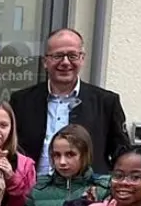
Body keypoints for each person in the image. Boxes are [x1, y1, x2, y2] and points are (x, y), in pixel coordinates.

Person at [9, 28, 130, 175]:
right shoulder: (21, 102)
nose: (65, 62)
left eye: (72, 55)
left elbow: (122, 154)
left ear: (82, 59)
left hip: (88, 193)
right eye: (58, 55)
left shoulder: (106, 103)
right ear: (45, 61)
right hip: (33, 192)